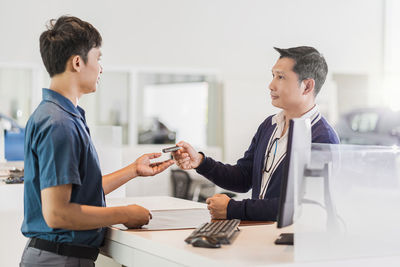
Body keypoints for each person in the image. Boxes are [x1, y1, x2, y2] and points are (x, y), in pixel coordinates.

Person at [20, 16, 174, 266]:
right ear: (78, 62)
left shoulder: (59, 116)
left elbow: (79, 195)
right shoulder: (59, 124)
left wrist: (133, 170)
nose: (101, 68)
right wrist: (125, 213)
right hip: (58, 259)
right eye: (98, 58)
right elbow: (58, 213)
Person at [173, 46, 339, 221]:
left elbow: (303, 206)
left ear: (307, 86)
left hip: (293, 242)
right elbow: (243, 178)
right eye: (273, 75)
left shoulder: (323, 138)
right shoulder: (269, 125)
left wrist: (233, 209)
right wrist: (200, 162)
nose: (271, 85)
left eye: (281, 77)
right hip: (261, 233)